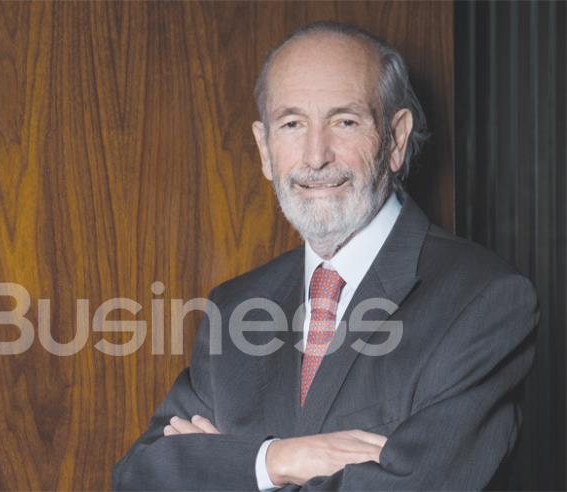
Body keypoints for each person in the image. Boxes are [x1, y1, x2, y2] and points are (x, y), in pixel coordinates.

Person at [112, 21, 537, 491]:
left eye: (344, 122)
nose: (315, 157)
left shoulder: (484, 299)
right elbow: (140, 477)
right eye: (292, 124)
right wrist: (278, 459)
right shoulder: (234, 305)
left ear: (396, 139)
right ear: (265, 149)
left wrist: (223, 467)